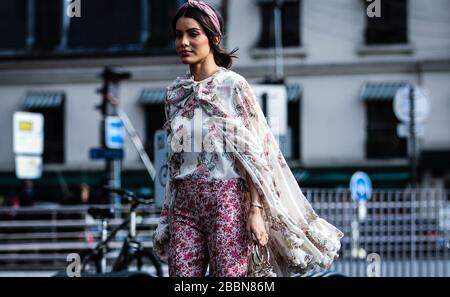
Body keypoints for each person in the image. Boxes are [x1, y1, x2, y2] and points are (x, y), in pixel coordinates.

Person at [153, 0, 344, 277]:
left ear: (213, 38)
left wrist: (255, 210)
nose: (184, 42)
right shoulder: (174, 93)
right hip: (184, 203)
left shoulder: (234, 86)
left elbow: (256, 154)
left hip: (227, 201)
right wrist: (168, 212)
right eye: (178, 35)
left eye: (193, 34)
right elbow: (175, 160)